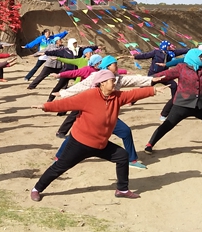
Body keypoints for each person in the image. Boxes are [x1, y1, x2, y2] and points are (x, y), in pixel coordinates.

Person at [29, 70, 157, 201]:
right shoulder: (89, 96)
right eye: (112, 81)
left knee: (122, 156)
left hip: (101, 144)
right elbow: (66, 103)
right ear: (102, 83)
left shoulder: (117, 97)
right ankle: (37, 189)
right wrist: (45, 106)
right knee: (60, 167)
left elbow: (133, 93)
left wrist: (152, 91)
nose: (115, 83)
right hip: (80, 143)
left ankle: (122, 190)